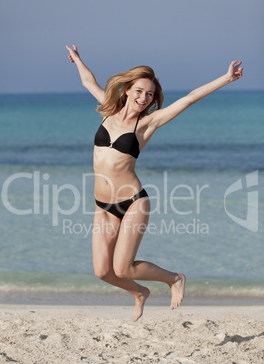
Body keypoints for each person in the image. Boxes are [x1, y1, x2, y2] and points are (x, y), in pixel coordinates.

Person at [66, 44, 243, 322]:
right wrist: (77, 59)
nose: (144, 98)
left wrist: (226, 78)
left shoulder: (147, 124)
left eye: (149, 95)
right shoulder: (107, 111)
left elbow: (189, 98)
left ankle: (174, 278)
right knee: (102, 271)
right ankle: (140, 293)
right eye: (139, 91)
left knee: (123, 269)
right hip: (102, 206)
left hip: (133, 202)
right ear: (127, 90)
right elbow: (89, 81)